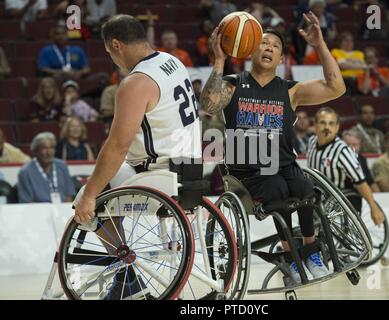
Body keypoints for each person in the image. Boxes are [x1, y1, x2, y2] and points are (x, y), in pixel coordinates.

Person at [201, 11, 346, 281]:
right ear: (249, 51)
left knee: (305, 188)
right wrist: (220, 60)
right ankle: (289, 253)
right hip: (247, 172)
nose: (269, 47)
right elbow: (208, 105)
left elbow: (336, 87)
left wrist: (320, 45)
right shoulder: (233, 85)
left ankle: (311, 249)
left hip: (284, 164)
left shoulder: (291, 91)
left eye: (276, 46)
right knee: (277, 188)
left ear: (281, 58)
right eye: (263, 43)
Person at [73, 15, 201, 299]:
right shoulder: (172, 61)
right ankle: (125, 276)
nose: (112, 60)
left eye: (109, 53)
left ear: (116, 44)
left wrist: (91, 194)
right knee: (102, 183)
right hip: (192, 167)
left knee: (85, 196)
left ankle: (127, 277)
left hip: (161, 176)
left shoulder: (136, 82)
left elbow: (118, 147)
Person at [306, 108, 384, 224]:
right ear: (315, 125)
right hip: (319, 198)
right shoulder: (312, 141)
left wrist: (374, 207)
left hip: (343, 201)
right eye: (323, 123)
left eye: (331, 123)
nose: (327, 127)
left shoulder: (342, 151)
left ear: (337, 127)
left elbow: (361, 182)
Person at [17, 132, 76, 203]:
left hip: (62, 209)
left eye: (51, 148)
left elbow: (69, 195)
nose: (49, 152)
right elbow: (27, 202)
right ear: (35, 150)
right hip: (38, 211)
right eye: (44, 148)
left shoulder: (62, 166)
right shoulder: (25, 172)